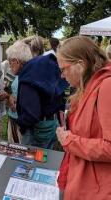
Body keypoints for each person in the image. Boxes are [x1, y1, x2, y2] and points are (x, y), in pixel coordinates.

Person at [56, 36, 111, 200]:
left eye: (64, 69)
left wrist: (69, 140)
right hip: (86, 181)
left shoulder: (106, 86)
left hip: (97, 190)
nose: (62, 76)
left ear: (80, 65)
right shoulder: (89, 86)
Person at [6, 40, 68, 149]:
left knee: (30, 163)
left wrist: (19, 122)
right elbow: (59, 93)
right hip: (52, 123)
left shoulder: (27, 77)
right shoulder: (41, 67)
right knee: (46, 159)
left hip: (38, 130)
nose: (9, 66)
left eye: (9, 61)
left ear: (16, 61)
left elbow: (31, 116)